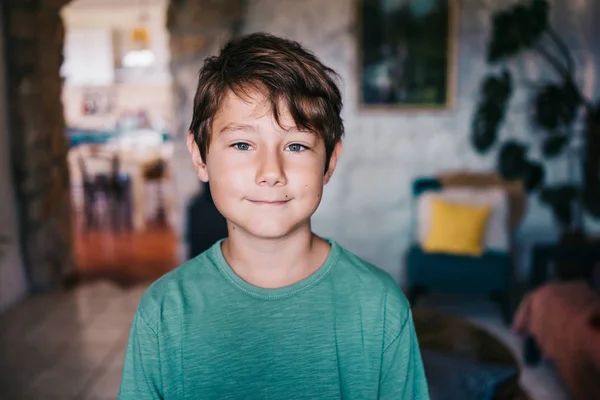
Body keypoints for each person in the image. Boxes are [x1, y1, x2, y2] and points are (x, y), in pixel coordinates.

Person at [118, 32, 429, 399]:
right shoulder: (163, 313)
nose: (271, 171)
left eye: (296, 145)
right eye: (242, 144)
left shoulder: (380, 308)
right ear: (200, 156)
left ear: (329, 161)